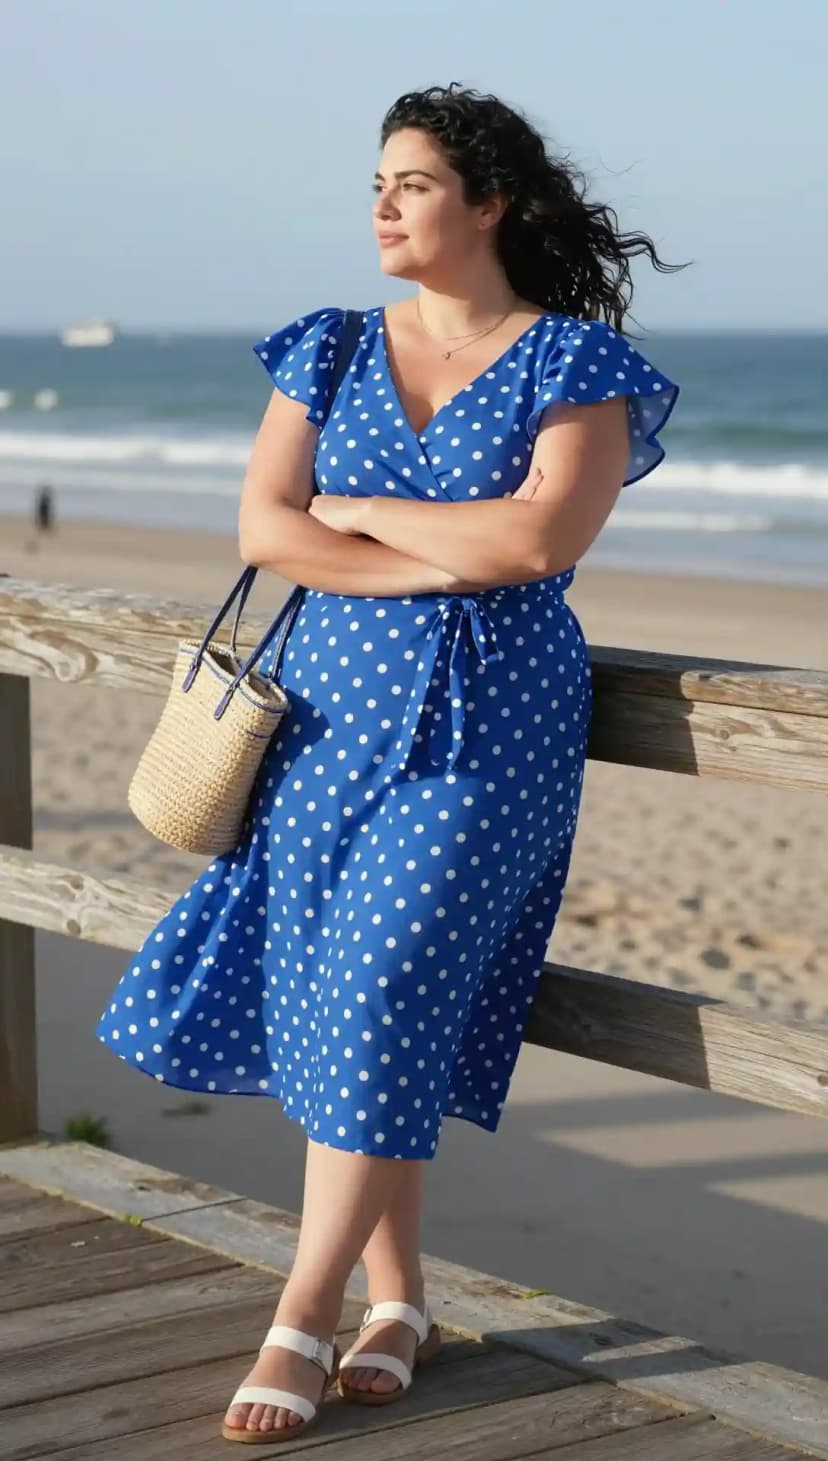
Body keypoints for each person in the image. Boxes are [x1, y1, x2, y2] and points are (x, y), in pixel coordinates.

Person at [96, 83, 683, 1442]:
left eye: (412, 182)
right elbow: (262, 526)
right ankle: (400, 1296)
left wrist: (356, 511)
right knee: (355, 999)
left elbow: (540, 548)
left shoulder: (572, 364)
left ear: (489, 203)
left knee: (378, 986)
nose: (380, 204)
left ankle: (297, 1314)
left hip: (487, 736)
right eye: (377, 181)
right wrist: (432, 538)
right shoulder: (332, 345)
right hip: (320, 728)